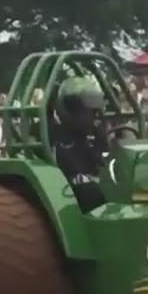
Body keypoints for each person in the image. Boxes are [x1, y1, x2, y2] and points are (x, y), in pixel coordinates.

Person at [53, 75, 109, 212]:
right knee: (91, 191)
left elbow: (102, 162)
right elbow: (72, 174)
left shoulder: (92, 135)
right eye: (89, 112)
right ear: (71, 110)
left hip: (91, 183)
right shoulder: (56, 137)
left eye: (96, 112)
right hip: (66, 193)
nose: (94, 117)